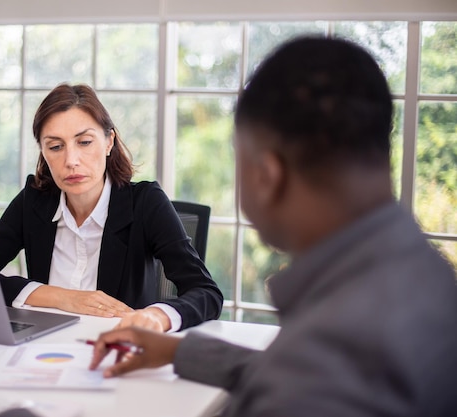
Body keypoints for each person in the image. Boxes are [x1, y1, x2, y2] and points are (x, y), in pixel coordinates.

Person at [88, 36, 457, 416]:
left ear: (266, 175)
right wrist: (178, 350)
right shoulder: (422, 272)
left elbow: (310, 378)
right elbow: (306, 367)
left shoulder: (323, 364)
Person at [0, 83, 223, 332]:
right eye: (56, 147)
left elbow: (206, 292)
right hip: (43, 350)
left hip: (117, 350)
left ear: (109, 142)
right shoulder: (33, 201)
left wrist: (157, 316)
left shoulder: (145, 202)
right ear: (43, 152)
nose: (71, 161)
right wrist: (60, 297)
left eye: (85, 142)